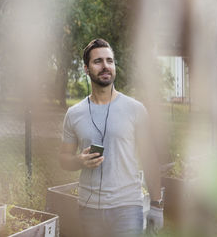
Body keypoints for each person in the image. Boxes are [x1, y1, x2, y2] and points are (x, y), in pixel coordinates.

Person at [59, 38, 164, 236]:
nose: (105, 66)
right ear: (86, 69)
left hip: (127, 208)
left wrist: (157, 206)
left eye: (110, 60)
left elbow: (150, 159)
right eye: (98, 61)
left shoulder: (135, 109)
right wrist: (79, 161)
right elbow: (64, 159)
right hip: (88, 209)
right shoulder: (74, 114)